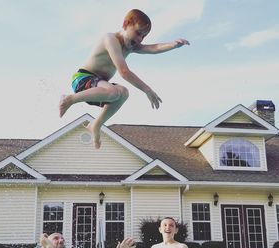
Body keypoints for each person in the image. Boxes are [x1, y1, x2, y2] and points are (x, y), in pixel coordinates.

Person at [59, 9, 190, 149]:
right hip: (83, 79)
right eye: (138, 33)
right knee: (114, 92)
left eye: (143, 37)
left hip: (99, 86)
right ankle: (69, 99)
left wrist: (173, 44)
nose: (139, 39)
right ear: (126, 24)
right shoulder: (110, 39)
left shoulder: (131, 46)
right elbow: (124, 71)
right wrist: (147, 90)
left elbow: (153, 48)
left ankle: (96, 124)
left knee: (123, 93)